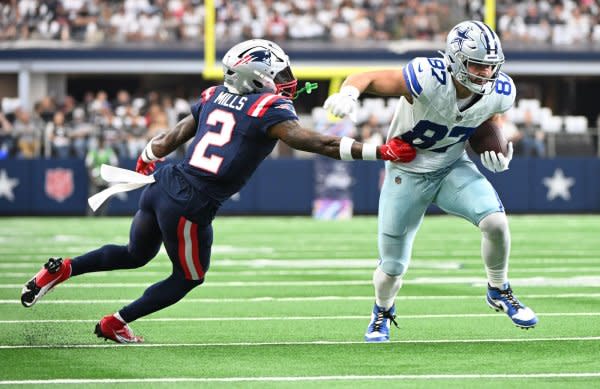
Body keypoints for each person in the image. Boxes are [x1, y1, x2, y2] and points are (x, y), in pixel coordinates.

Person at [20, 39, 415, 343]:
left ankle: (65, 268)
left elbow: (172, 136)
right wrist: (378, 151)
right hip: (192, 203)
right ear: (257, 76)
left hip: (163, 182)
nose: (286, 81)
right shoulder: (269, 110)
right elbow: (319, 143)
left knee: (134, 254)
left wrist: (146, 156)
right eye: (278, 74)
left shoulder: (212, 96)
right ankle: (115, 323)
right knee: (188, 277)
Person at [324, 20, 538, 342]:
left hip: (452, 166)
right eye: (477, 65)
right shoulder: (427, 77)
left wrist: (499, 144)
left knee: (495, 223)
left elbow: (490, 118)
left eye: (490, 67)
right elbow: (364, 77)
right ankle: (382, 310)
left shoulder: (500, 90)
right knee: (393, 266)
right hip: (406, 172)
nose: (485, 74)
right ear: (455, 60)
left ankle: (499, 287)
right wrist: (349, 94)